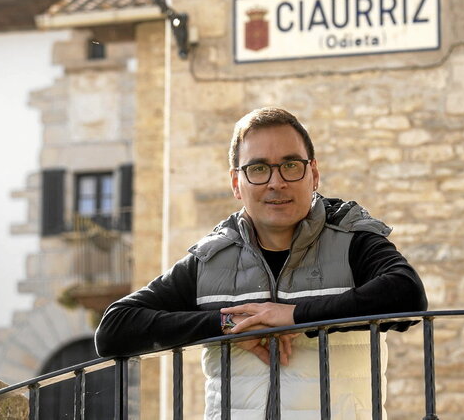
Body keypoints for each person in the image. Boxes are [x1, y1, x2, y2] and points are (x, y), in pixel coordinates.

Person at [95, 107, 428, 419]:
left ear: (313, 173)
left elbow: (406, 294)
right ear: (236, 183)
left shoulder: (352, 240)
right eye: (258, 169)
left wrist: (293, 316)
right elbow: (114, 330)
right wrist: (229, 325)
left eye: (290, 165)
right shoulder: (211, 260)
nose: (276, 182)